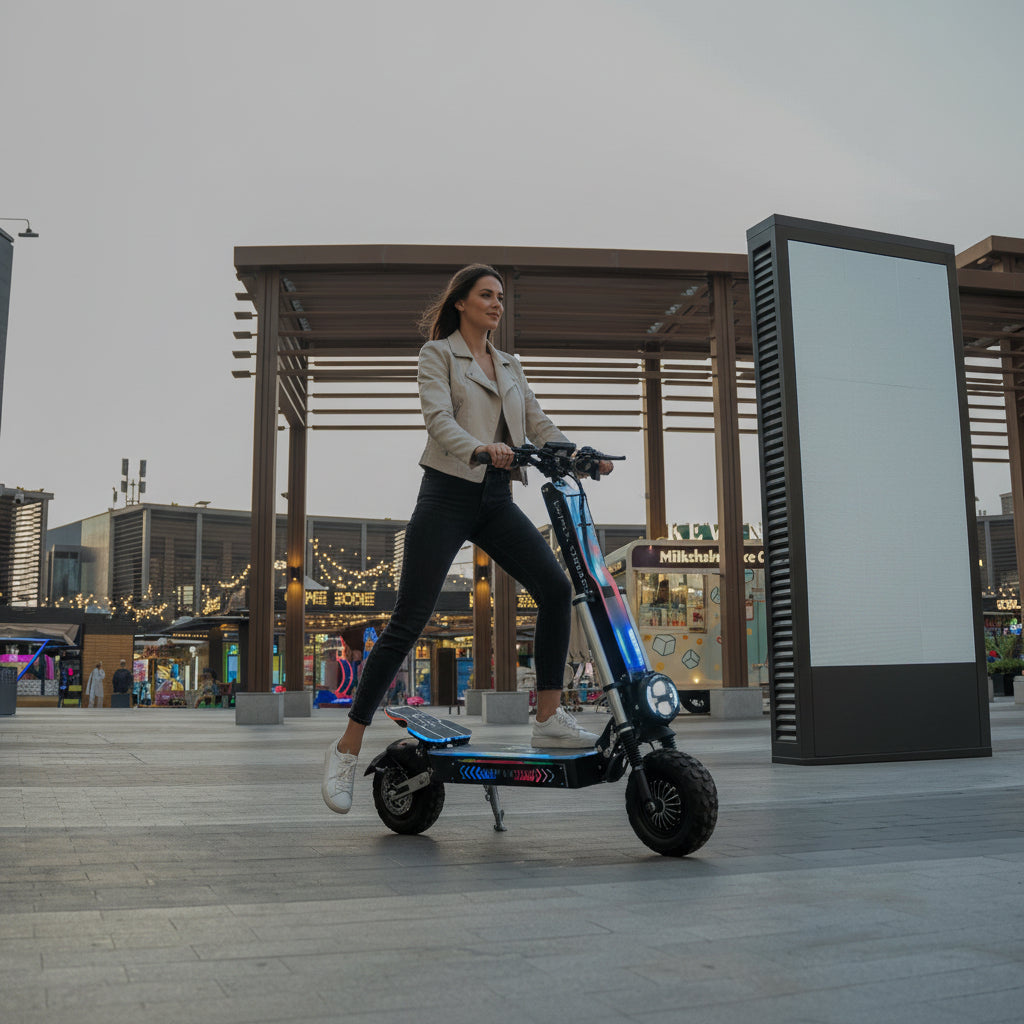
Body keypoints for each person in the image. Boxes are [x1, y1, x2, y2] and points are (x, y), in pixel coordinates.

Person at [322, 264, 613, 814]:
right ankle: (347, 747)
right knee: (409, 619)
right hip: (447, 494)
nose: (497, 303)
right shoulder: (438, 356)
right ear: (461, 302)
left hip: (496, 500)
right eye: (486, 295)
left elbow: (538, 422)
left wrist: (578, 454)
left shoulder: (510, 364)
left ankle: (548, 718)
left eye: (501, 296)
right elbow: (438, 421)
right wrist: (480, 448)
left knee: (556, 589)